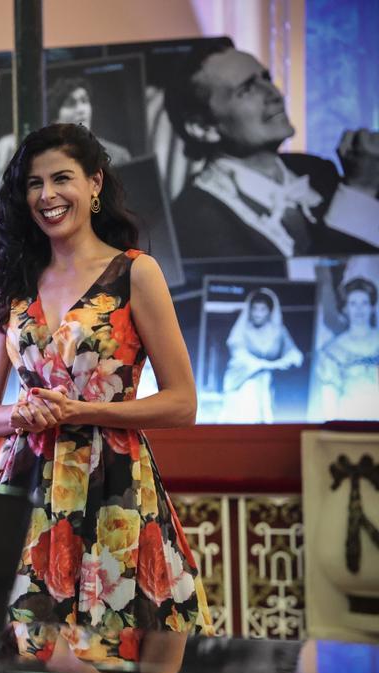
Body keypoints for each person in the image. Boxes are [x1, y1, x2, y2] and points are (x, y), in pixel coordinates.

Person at [0, 123, 209, 673]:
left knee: (119, 647)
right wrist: (20, 413)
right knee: (18, 651)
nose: (47, 196)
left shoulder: (134, 273)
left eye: (61, 179)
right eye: (33, 184)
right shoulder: (10, 281)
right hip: (21, 486)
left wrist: (83, 411)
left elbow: (182, 403)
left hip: (114, 483)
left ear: (95, 183)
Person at [165, 43, 379, 260]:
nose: (275, 94)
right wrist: (359, 190)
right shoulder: (194, 221)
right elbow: (327, 289)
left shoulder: (317, 170)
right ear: (204, 128)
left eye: (265, 78)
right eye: (246, 89)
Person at [0, 77, 133, 184]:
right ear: (55, 120)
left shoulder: (118, 156)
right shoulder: (40, 162)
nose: (81, 109)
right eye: (71, 103)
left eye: (85, 101)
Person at [216, 287, 303, 424]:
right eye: (254, 309)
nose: (257, 313)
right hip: (244, 381)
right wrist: (272, 365)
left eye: (262, 309)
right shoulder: (242, 330)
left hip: (268, 384)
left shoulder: (278, 331)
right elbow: (240, 356)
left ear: (269, 311)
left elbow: (293, 353)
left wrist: (289, 359)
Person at [313, 277, 379, 420]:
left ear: (372, 307)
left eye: (365, 303)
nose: (359, 309)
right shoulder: (331, 350)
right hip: (348, 423)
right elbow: (329, 398)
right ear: (345, 308)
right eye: (353, 304)